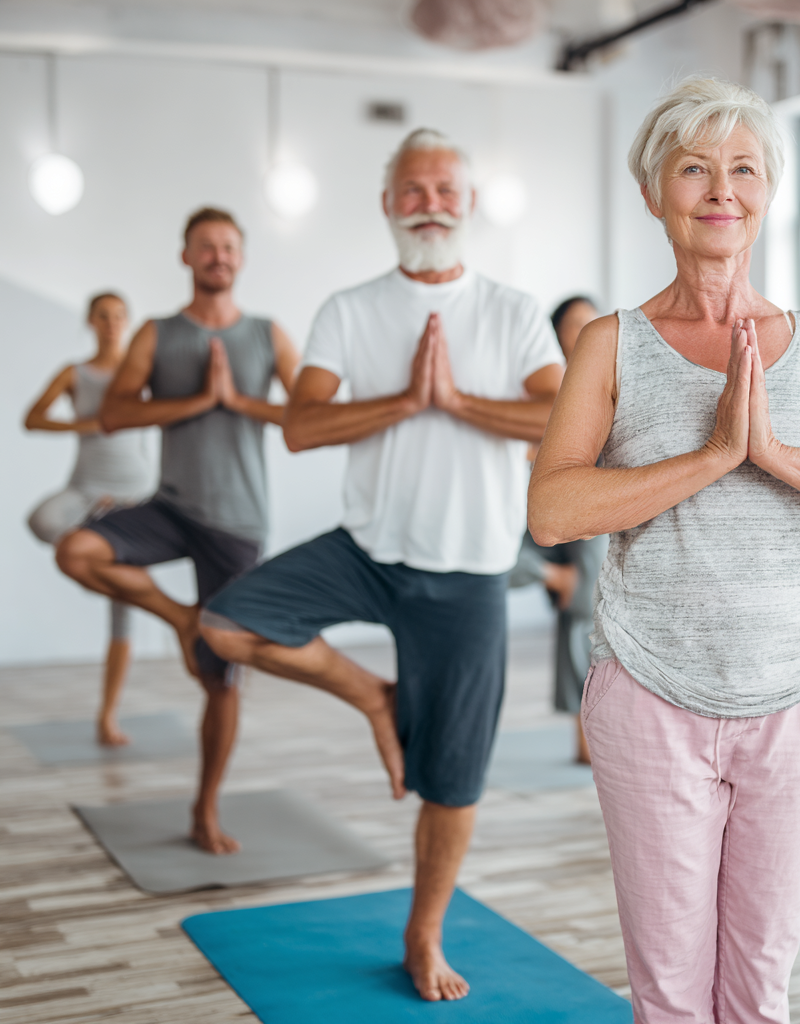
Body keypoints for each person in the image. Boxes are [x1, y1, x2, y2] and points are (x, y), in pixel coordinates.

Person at [528, 77, 800, 1024]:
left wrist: (778, 456)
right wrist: (714, 455)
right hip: (648, 693)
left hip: (794, 694)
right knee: (670, 993)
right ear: (654, 193)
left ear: (766, 192)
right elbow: (553, 509)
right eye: (695, 168)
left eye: (744, 168)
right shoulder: (612, 344)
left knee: (760, 988)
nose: (722, 188)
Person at [199, 128, 564, 1002]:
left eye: (445, 190)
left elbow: (558, 421)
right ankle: (374, 695)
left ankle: (422, 934)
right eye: (413, 190)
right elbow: (299, 426)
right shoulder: (350, 309)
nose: (429, 204)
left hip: (470, 568)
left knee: (455, 775)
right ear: (387, 204)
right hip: (365, 549)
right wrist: (405, 399)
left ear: (468, 205)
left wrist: (455, 401)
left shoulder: (514, 310)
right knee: (223, 624)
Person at [55, 208, 300, 854]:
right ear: (185, 257)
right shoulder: (156, 334)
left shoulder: (268, 334)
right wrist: (195, 401)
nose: (217, 256)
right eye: (205, 247)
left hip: (239, 523)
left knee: (222, 678)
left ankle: (205, 810)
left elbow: (307, 419)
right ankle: (180, 618)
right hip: (170, 505)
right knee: (76, 549)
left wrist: (238, 402)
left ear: (240, 258)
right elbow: (111, 414)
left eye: (227, 246)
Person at [25, 292, 153, 746]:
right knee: (41, 520)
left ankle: (107, 717)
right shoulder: (74, 372)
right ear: (90, 322)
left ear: (128, 322)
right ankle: (87, 562)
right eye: (103, 316)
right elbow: (33, 418)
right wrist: (84, 425)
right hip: (85, 489)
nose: (112, 323)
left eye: (120, 316)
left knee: (122, 614)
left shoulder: (142, 371)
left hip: (132, 493)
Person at [509, 295, 606, 763]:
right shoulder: (543, 386)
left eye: (592, 322)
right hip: (550, 504)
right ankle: (586, 735)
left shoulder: (611, 380)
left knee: (584, 620)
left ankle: (590, 737)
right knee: (581, 615)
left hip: (596, 513)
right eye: (573, 324)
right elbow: (524, 446)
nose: (582, 331)